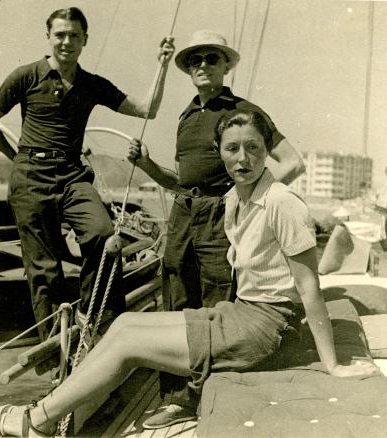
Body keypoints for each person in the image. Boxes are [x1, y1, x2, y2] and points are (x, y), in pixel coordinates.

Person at [0, 108, 377, 437]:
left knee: (128, 347)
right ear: (220, 152)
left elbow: (310, 292)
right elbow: (179, 186)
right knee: (127, 325)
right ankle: (51, 411)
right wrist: (146, 166)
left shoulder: (282, 202)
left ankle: (37, 421)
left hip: (266, 328)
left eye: (254, 148)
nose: (243, 158)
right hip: (241, 312)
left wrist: (334, 366)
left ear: (268, 150)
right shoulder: (236, 198)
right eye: (232, 148)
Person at [127, 29, 305, 427]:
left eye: (211, 58)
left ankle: (214, 394)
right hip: (182, 214)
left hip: (219, 217)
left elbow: (292, 163)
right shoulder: (187, 115)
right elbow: (179, 180)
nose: (202, 66)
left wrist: (249, 204)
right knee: (176, 295)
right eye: (195, 61)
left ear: (227, 64)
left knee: (217, 300)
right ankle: (175, 399)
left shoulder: (244, 112)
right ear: (188, 70)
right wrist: (146, 166)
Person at [0, 7, 174, 341]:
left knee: (104, 235)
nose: (66, 42)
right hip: (30, 176)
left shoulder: (91, 84)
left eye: (74, 36)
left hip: (72, 176)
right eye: (60, 35)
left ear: (84, 40)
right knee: (43, 270)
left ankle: (99, 323)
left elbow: (147, 110)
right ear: (49, 37)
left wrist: (163, 64)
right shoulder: (25, 76)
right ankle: (55, 350)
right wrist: (18, 160)